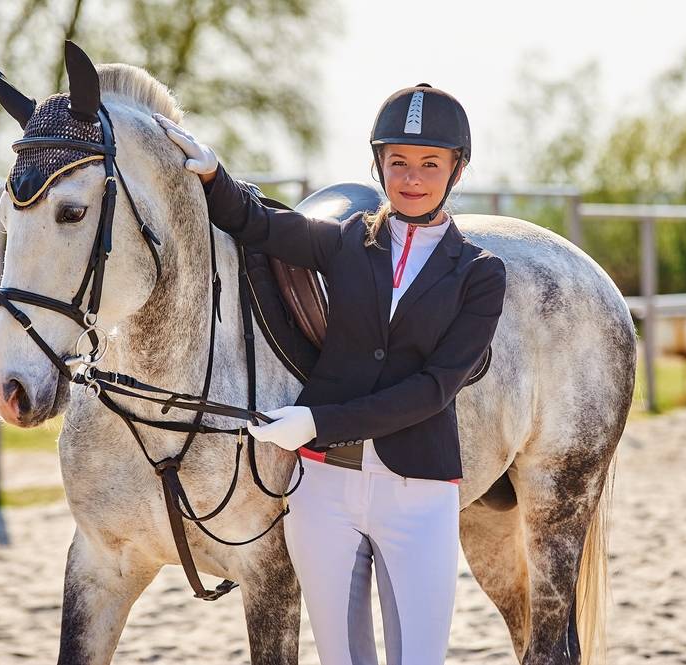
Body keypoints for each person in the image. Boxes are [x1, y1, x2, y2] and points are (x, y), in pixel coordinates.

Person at [155, 83, 506, 665]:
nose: (412, 178)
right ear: (378, 165)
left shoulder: (479, 274)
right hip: (323, 491)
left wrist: (316, 422)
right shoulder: (347, 242)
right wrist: (216, 177)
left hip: (416, 493)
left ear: (456, 171)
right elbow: (262, 226)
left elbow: (434, 389)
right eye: (398, 163)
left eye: (429, 164)